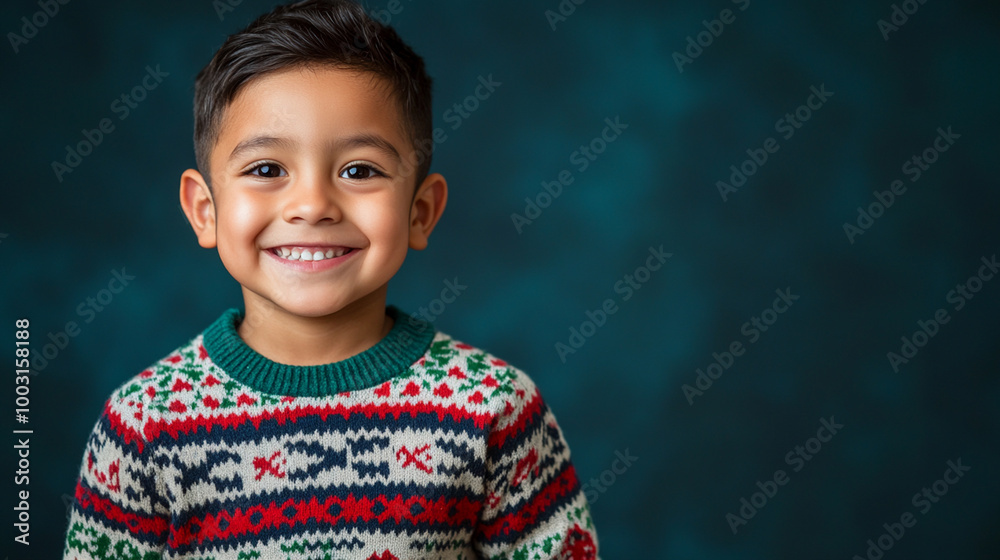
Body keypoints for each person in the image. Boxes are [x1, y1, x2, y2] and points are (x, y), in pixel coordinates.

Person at [62, 1, 599, 558]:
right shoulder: (144, 422)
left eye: (359, 170)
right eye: (267, 170)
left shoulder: (494, 408)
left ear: (420, 212)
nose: (313, 205)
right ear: (205, 211)